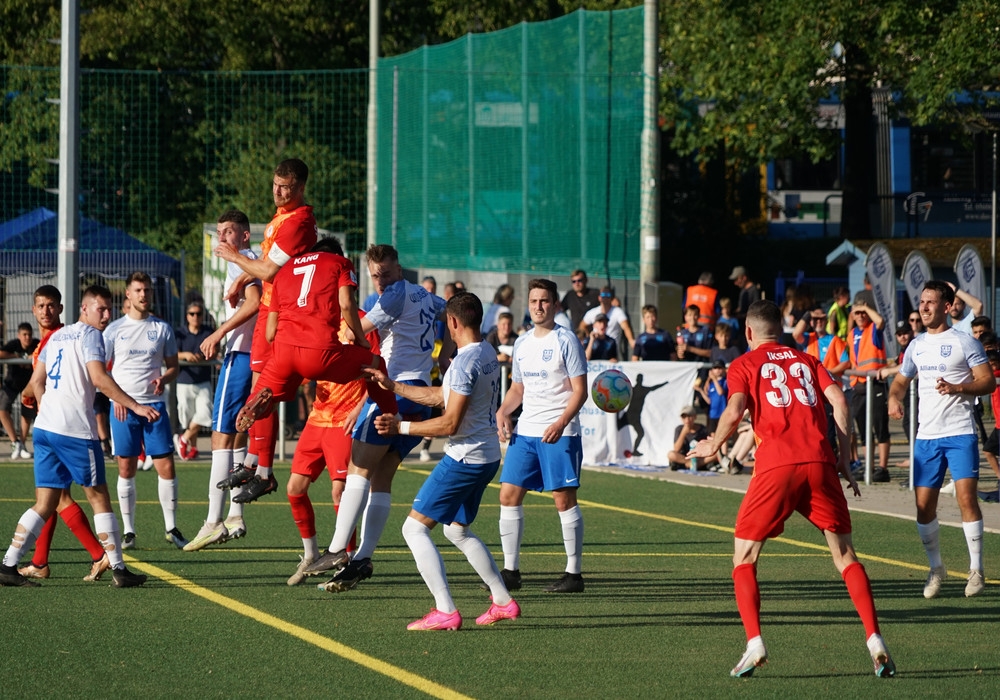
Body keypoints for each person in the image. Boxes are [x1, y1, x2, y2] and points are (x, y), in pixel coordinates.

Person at [690, 299, 895, 679]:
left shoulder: (744, 364)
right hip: (819, 463)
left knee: (744, 558)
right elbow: (838, 400)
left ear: (748, 332)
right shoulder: (807, 360)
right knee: (846, 556)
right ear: (780, 331)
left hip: (776, 467)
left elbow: (734, 410)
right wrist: (845, 457)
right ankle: (874, 640)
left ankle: (754, 643)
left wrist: (713, 445)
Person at [365, 292, 520, 629]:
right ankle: (503, 601)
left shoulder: (465, 362)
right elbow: (441, 395)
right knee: (457, 531)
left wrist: (400, 426)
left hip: (465, 457)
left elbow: (449, 422)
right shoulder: (485, 351)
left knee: (413, 528)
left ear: (452, 322)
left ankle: (445, 609)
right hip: (487, 456)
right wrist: (394, 387)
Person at [302, 243, 445, 591]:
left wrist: (333, 327)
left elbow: (355, 331)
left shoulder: (394, 296)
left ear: (399, 269)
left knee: (358, 470)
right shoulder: (427, 296)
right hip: (419, 395)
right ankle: (363, 557)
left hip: (394, 391)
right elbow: (452, 313)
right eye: (375, 275)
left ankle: (337, 550)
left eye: (386, 273)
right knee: (381, 477)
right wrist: (447, 355)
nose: (381, 281)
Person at [0, 285, 155, 588]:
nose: (107, 315)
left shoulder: (56, 336)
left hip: (45, 430)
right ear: (84, 309)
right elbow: (98, 378)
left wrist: (46, 407)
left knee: (45, 503)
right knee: (99, 498)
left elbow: (34, 383)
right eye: (101, 308)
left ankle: (8, 565)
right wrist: (135, 405)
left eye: (110, 308)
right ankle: (119, 570)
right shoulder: (90, 335)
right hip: (75, 432)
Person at [233, 239, 400, 476]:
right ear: (336, 255)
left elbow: (270, 333)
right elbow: (345, 303)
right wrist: (361, 339)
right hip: (321, 353)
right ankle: (391, 417)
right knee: (376, 365)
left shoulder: (284, 271)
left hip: (283, 352)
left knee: (265, 395)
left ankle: (259, 464)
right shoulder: (340, 263)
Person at [214, 158, 318, 501]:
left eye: (285, 187)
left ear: (300, 188)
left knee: (262, 394)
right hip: (272, 312)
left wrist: (234, 258)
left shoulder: (298, 221)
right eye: (275, 184)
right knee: (257, 394)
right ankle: (253, 462)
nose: (277, 191)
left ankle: (263, 470)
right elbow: (265, 265)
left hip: (283, 315)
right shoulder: (282, 217)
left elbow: (270, 270)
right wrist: (242, 277)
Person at [888, 280, 995, 599]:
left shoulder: (965, 342)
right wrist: (894, 398)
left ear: (947, 307)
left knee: (966, 500)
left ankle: (976, 570)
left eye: (930, 302)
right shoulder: (916, 345)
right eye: (921, 302)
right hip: (927, 438)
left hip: (960, 432)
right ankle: (936, 568)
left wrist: (959, 388)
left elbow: (987, 381)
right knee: (923, 507)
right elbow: (899, 381)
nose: (923, 307)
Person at [494, 278, 588, 593]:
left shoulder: (567, 340)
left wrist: (561, 423)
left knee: (563, 500)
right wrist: (503, 411)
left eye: (544, 301)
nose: (538, 306)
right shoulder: (521, 343)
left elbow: (580, 391)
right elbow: (518, 388)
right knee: (507, 495)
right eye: (534, 301)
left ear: (555, 305)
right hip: (527, 432)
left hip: (559, 433)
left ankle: (573, 575)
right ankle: (511, 572)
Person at [15, 285, 112, 582]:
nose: (45, 310)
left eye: (51, 305)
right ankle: (41, 561)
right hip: (55, 424)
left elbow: (38, 383)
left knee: (60, 497)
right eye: (40, 305)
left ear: (60, 308)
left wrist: (28, 393)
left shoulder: (60, 337)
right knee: (52, 497)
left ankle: (99, 554)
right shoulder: (47, 340)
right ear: (33, 310)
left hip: (65, 426)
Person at [285, 305, 381, 585]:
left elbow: (377, 368)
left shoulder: (364, 322)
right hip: (317, 419)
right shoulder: (315, 319)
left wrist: (360, 409)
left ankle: (346, 562)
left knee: (340, 492)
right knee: (294, 489)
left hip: (345, 421)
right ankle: (310, 555)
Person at [183, 210, 260, 551]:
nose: (223, 238)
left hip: (241, 354)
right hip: (256, 356)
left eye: (230, 231)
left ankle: (213, 521)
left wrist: (219, 333)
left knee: (220, 435)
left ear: (244, 235)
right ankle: (235, 515)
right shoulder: (258, 260)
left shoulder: (239, 259)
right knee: (240, 429)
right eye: (219, 232)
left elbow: (255, 303)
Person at [105, 271, 187, 549]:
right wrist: (116, 397)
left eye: (147, 290)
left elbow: (174, 366)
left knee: (166, 467)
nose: (143, 295)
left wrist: (164, 378)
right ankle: (129, 532)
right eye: (138, 290)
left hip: (154, 408)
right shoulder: (114, 330)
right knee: (126, 468)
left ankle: (172, 528)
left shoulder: (162, 328)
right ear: (128, 294)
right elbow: (101, 370)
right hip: (124, 407)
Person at [848, 298, 891, 482]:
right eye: (857, 312)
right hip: (858, 384)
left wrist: (866, 306)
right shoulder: (851, 334)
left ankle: (882, 468)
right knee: (864, 427)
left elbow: (881, 321)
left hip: (875, 382)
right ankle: (869, 466)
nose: (860, 316)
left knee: (880, 425)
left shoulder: (873, 329)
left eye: (863, 312)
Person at [174, 301, 214, 460]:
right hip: (184, 381)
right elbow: (173, 354)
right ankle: (193, 447)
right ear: (187, 316)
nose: (195, 317)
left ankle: (183, 438)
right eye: (192, 314)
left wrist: (203, 356)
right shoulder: (180, 333)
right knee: (188, 416)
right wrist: (186, 355)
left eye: (198, 314)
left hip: (203, 380)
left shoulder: (208, 331)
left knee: (205, 412)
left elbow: (214, 349)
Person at [0, 322, 38, 458]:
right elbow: (1, 353)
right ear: (19, 335)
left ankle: (22, 444)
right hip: (11, 384)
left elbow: (43, 354)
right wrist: (16, 357)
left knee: (27, 414)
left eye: (29, 335)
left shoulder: (36, 345)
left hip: (29, 386)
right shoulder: (13, 345)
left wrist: (31, 359)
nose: (27, 338)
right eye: (24, 335)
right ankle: (15, 442)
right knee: (2, 409)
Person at [582, 286, 635, 353]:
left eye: (608, 295)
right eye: (603, 295)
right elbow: (582, 326)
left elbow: (626, 327)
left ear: (611, 298)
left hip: (611, 350)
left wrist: (631, 341)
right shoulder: (592, 312)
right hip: (594, 349)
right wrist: (588, 336)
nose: (605, 297)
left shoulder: (618, 311)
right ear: (599, 298)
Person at [668, 405, 711, 471]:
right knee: (671, 454)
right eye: (684, 417)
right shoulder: (679, 429)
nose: (687, 420)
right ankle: (690, 464)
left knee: (716, 454)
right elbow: (676, 449)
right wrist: (683, 433)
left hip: (699, 457)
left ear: (695, 417)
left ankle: (696, 464)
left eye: (689, 416)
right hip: (684, 457)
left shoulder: (702, 429)